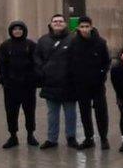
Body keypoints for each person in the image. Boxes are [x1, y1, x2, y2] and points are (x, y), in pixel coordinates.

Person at [34, 14, 78, 149]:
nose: (58, 23)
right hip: (50, 83)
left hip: (68, 83)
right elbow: (37, 58)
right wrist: (43, 71)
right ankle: (51, 139)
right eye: (55, 21)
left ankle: (71, 137)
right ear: (51, 24)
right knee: (52, 114)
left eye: (60, 21)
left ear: (65, 24)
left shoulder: (73, 40)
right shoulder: (43, 40)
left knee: (70, 113)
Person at [70, 16, 111, 149]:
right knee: (84, 112)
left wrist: (101, 74)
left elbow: (107, 61)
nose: (84, 29)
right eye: (82, 27)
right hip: (81, 84)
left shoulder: (100, 42)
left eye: (87, 26)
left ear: (91, 27)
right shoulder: (74, 43)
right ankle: (89, 138)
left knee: (101, 112)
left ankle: (104, 138)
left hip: (97, 83)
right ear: (78, 28)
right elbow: (70, 62)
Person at [0, 20, 38, 148]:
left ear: (24, 30)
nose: (17, 31)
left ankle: (30, 134)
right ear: (11, 31)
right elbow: (1, 65)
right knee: (11, 112)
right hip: (11, 86)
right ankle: (13, 136)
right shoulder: (5, 46)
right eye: (15, 29)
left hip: (28, 86)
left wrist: (33, 79)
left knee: (29, 111)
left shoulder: (30, 45)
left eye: (20, 29)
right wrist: (4, 79)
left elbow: (36, 63)